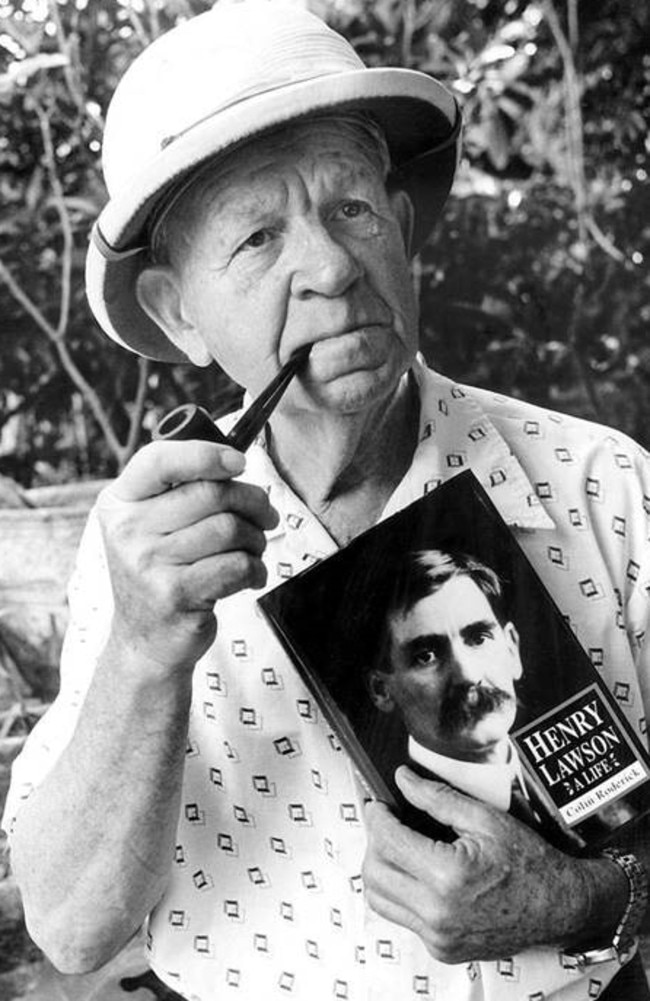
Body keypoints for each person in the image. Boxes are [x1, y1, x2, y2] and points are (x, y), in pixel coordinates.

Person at [2, 2, 650, 999]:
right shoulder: (144, 553)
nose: (333, 266)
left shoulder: (603, 486)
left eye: (351, 207)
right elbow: (72, 930)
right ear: (179, 314)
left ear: (396, 220)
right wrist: (142, 646)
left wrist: (584, 900)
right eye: (258, 236)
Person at [367, 548, 581, 846]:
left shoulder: (586, 780)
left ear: (512, 650)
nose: (468, 674)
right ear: (382, 690)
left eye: (478, 638)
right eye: (426, 656)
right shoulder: (410, 836)